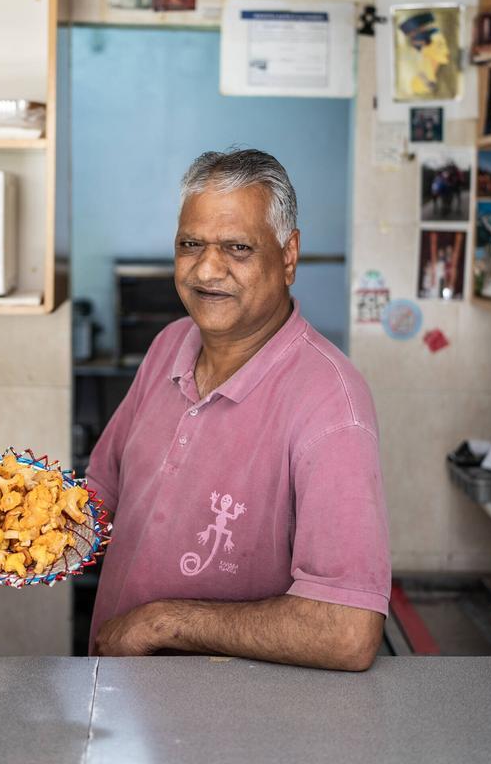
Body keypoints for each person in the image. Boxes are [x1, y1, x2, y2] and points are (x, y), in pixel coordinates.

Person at [87, 149, 390, 672]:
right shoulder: (169, 344)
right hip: (118, 689)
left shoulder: (332, 405)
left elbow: (347, 631)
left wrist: (160, 623)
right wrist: (13, 531)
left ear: (288, 256)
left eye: (238, 248)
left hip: (234, 713)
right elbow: (102, 492)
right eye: (190, 245)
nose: (207, 269)